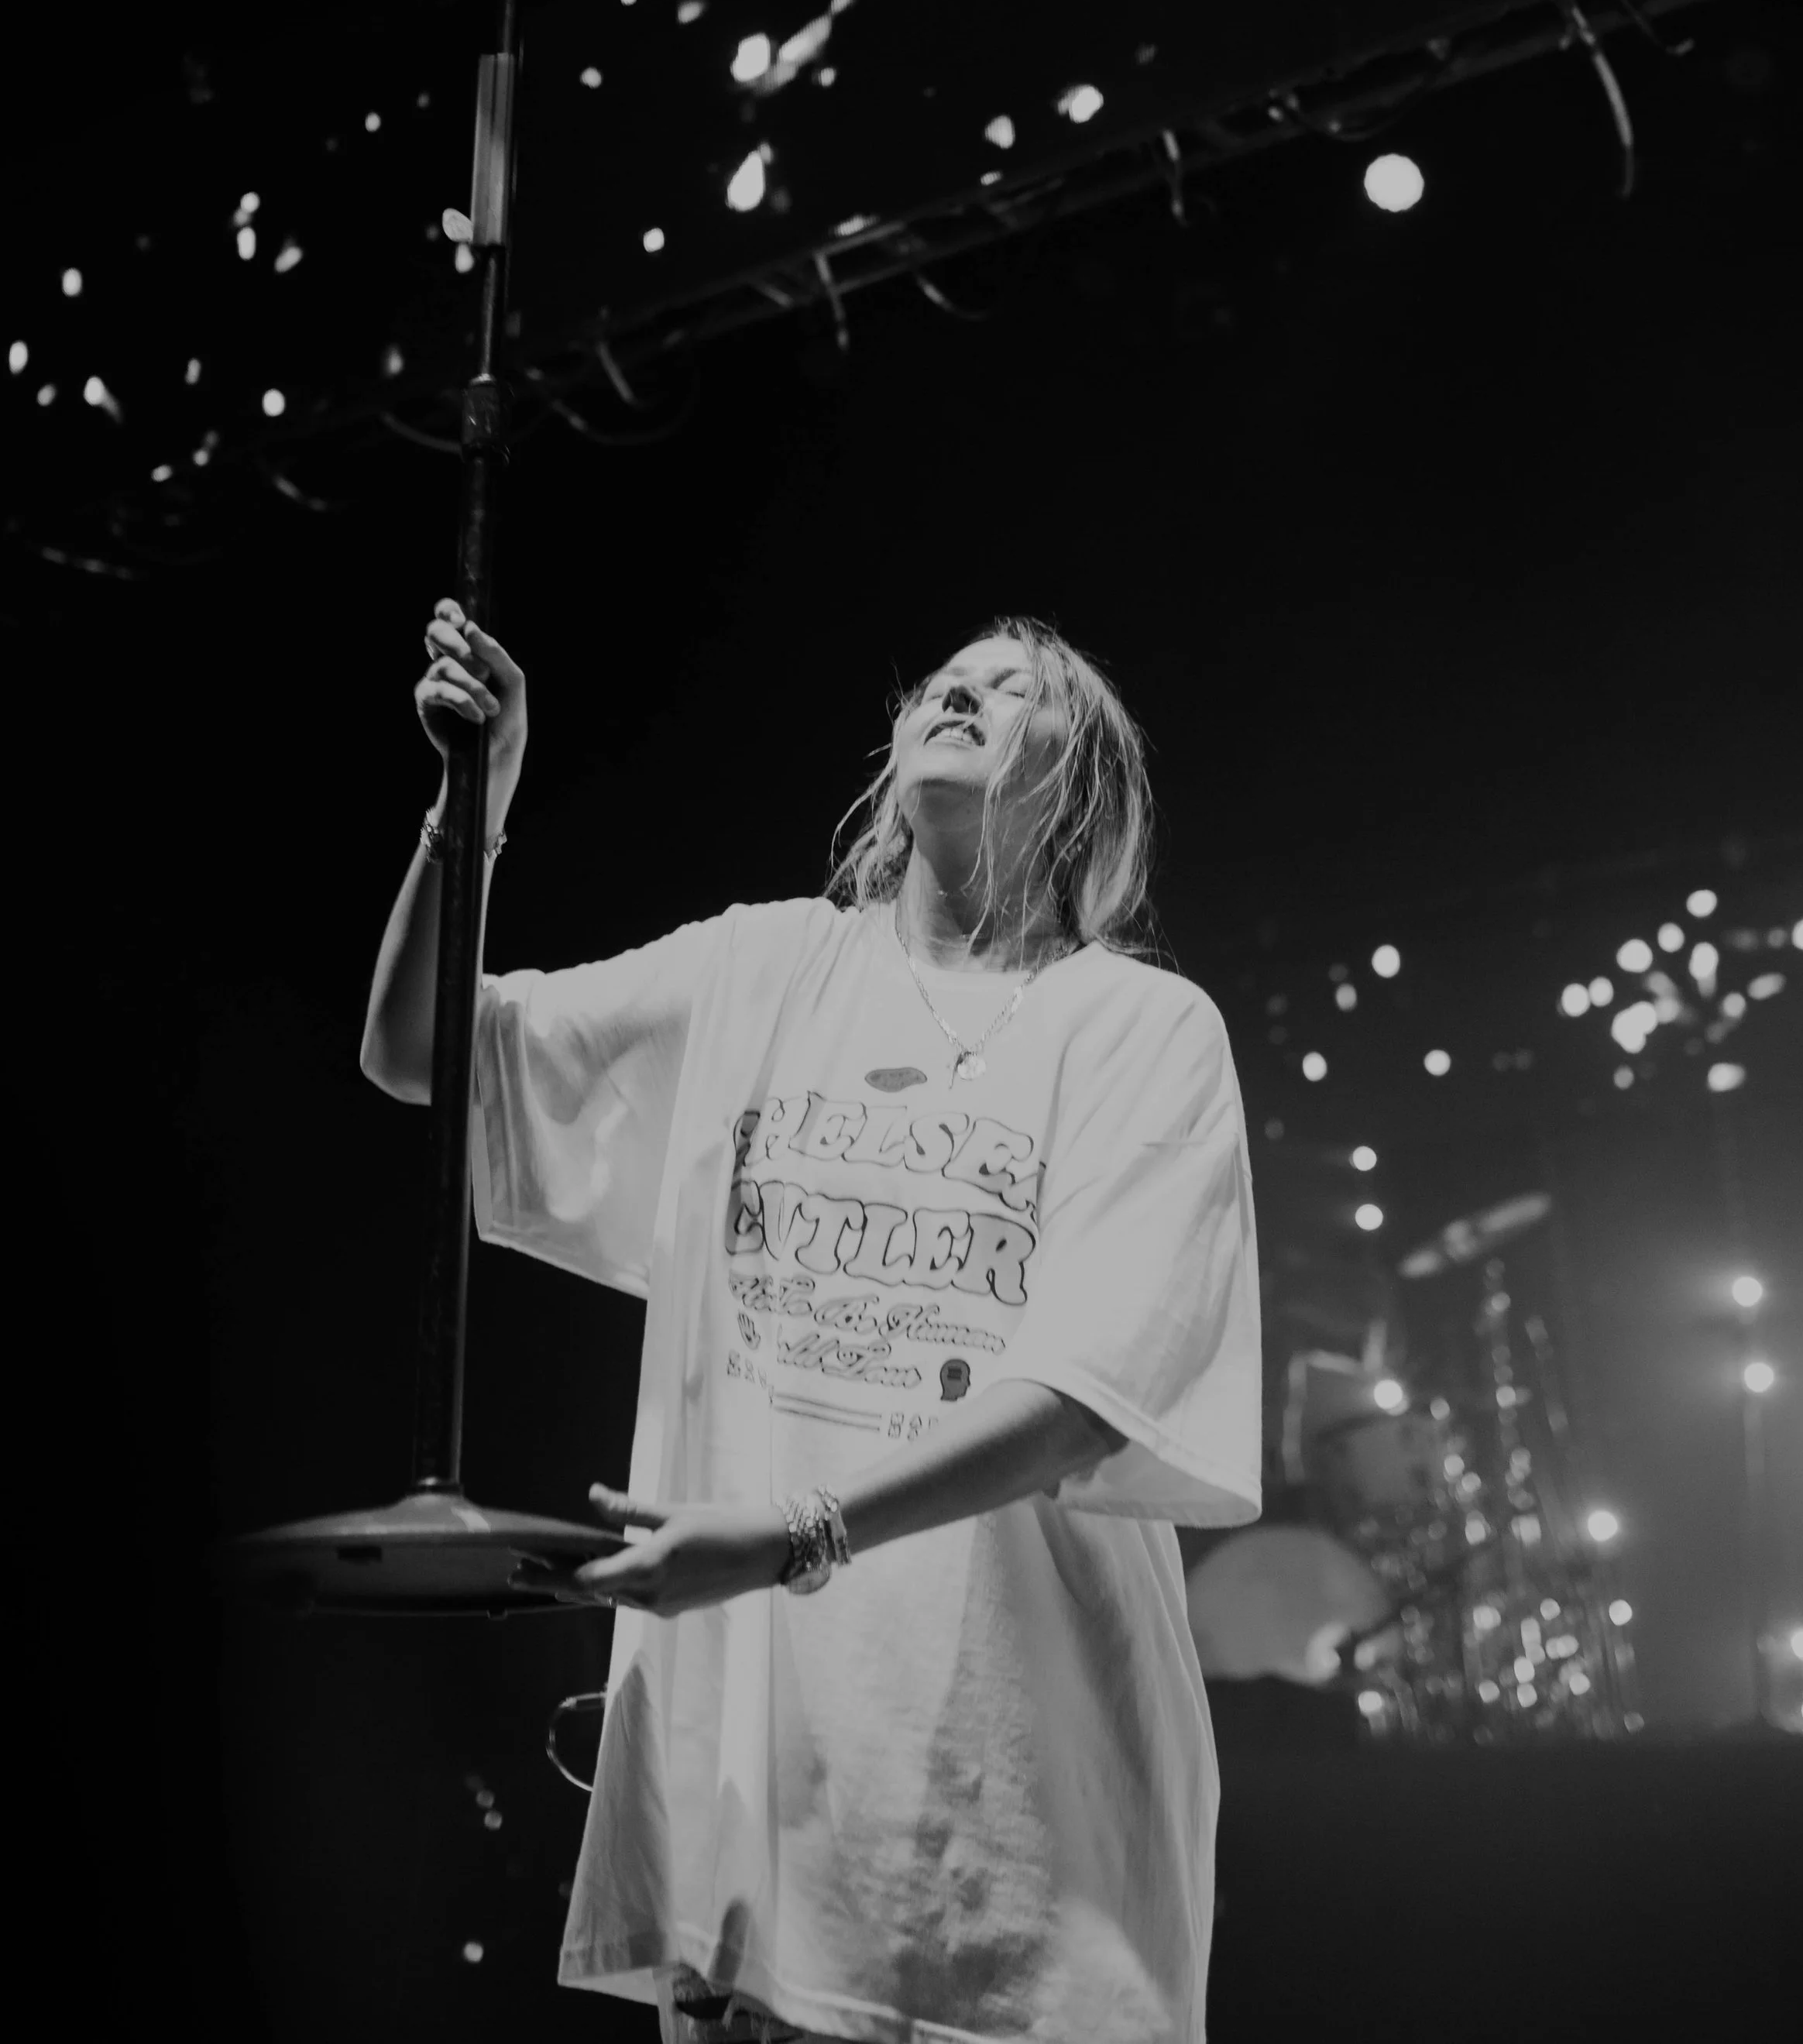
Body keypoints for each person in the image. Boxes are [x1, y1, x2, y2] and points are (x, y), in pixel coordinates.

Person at [361, 598, 1261, 2044]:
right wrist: (473, 801)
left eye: (1016, 691)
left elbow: (1088, 1388)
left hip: (1021, 1846)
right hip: (757, 1838)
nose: (963, 693)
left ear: (1083, 784)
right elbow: (417, 1053)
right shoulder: (764, 970)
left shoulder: (1139, 1028)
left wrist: (798, 1533)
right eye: (947, 681)